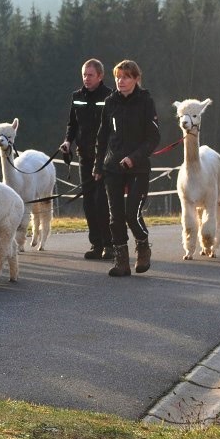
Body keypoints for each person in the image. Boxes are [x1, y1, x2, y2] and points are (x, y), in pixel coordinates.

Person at [93, 59, 160, 277]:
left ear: (136, 79)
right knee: (116, 216)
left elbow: (153, 138)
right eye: (118, 77)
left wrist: (134, 158)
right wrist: (98, 165)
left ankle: (143, 245)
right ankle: (121, 261)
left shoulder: (145, 101)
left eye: (126, 77)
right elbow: (102, 136)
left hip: (138, 168)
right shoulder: (110, 102)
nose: (121, 81)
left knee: (132, 213)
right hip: (112, 167)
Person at [60, 58, 113, 260]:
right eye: (84, 74)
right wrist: (67, 142)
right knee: (89, 202)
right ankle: (96, 245)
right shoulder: (77, 96)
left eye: (90, 75)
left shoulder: (110, 96)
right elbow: (72, 124)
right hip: (84, 156)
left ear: (100, 76)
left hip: (105, 157)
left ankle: (109, 244)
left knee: (102, 200)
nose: (86, 78)